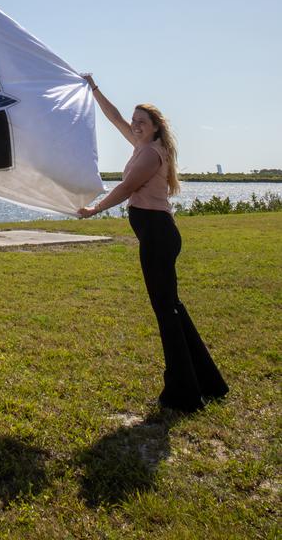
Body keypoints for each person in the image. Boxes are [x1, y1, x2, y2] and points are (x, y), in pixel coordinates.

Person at [77, 74, 228, 413]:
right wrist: (95, 89)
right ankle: (209, 382)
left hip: (158, 234)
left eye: (141, 122)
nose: (135, 126)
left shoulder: (149, 155)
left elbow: (127, 187)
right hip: (157, 232)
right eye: (134, 122)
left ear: (156, 127)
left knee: (166, 310)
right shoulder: (142, 146)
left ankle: (183, 393)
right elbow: (114, 117)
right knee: (172, 307)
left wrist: (94, 209)